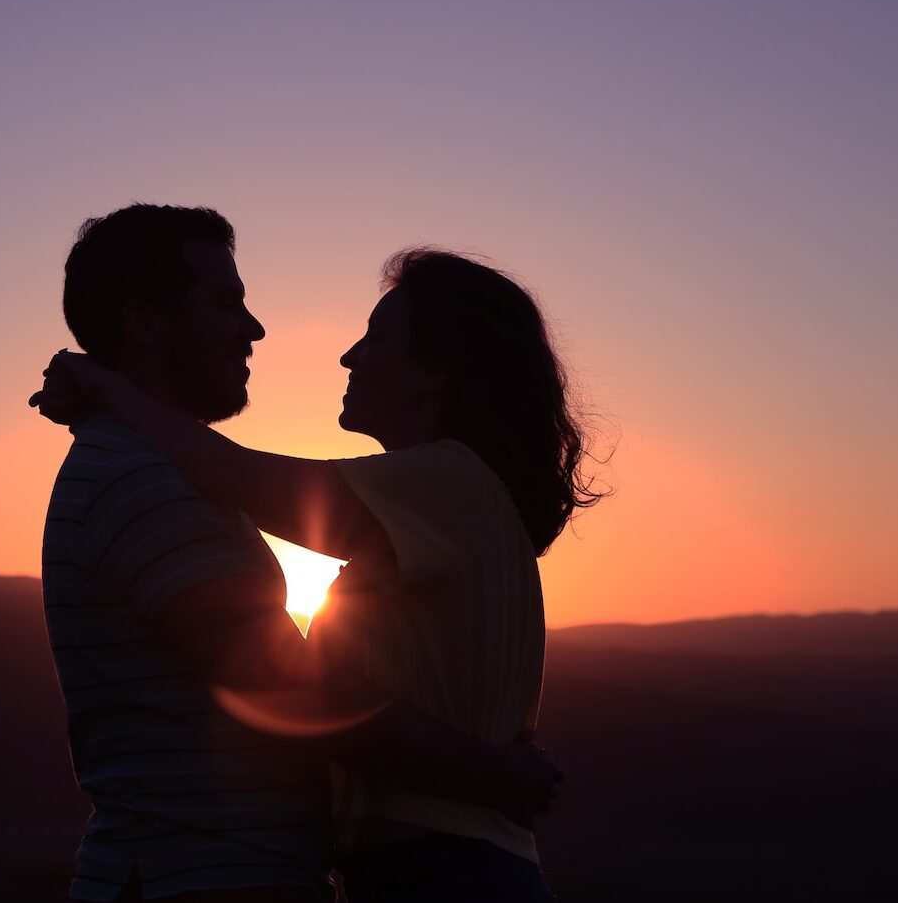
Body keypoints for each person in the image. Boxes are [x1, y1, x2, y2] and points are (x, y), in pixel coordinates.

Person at [35, 243, 603, 902]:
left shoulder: (449, 485)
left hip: (445, 873)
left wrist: (106, 388)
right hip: (418, 870)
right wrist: (490, 769)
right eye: (226, 304)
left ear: (437, 371)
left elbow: (241, 476)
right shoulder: (439, 501)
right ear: (147, 326)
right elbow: (289, 682)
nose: (348, 355)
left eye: (375, 337)